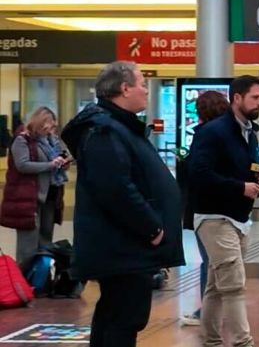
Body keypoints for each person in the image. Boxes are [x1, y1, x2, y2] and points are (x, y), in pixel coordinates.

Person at [60, 61, 184, 347]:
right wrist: (152, 227)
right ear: (124, 88)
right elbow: (115, 188)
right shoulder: (105, 131)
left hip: (126, 248)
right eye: (141, 84)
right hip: (123, 248)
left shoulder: (117, 127)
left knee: (116, 315)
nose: (145, 90)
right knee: (123, 318)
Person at [189, 75, 259, 347]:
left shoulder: (250, 133)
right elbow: (198, 174)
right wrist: (239, 187)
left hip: (239, 218)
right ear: (237, 98)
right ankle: (244, 343)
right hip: (214, 217)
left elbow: (249, 168)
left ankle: (211, 340)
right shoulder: (213, 132)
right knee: (234, 284)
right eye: (255, 97)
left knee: (215, 286)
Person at [178, 90, 231, 327]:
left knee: (209, 262)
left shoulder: (203, 136)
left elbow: (197, 174)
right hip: (230, 207)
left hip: (206, 208)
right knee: (221, 261)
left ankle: (207, 314)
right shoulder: (232, 134)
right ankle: (221, 309)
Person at [1, 107, 69, 273]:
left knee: (46, 240)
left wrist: (63, 162)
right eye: (49, 126)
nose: (51, 130)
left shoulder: (52, 140)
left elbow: (60, 157)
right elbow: (22, 165)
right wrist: (50, 165)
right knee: (28, 244)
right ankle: (23, 281)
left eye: (53, 127)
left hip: (51, 195)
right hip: (29, 197)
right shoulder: (22, 140)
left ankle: (40, 278)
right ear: (40, 122)